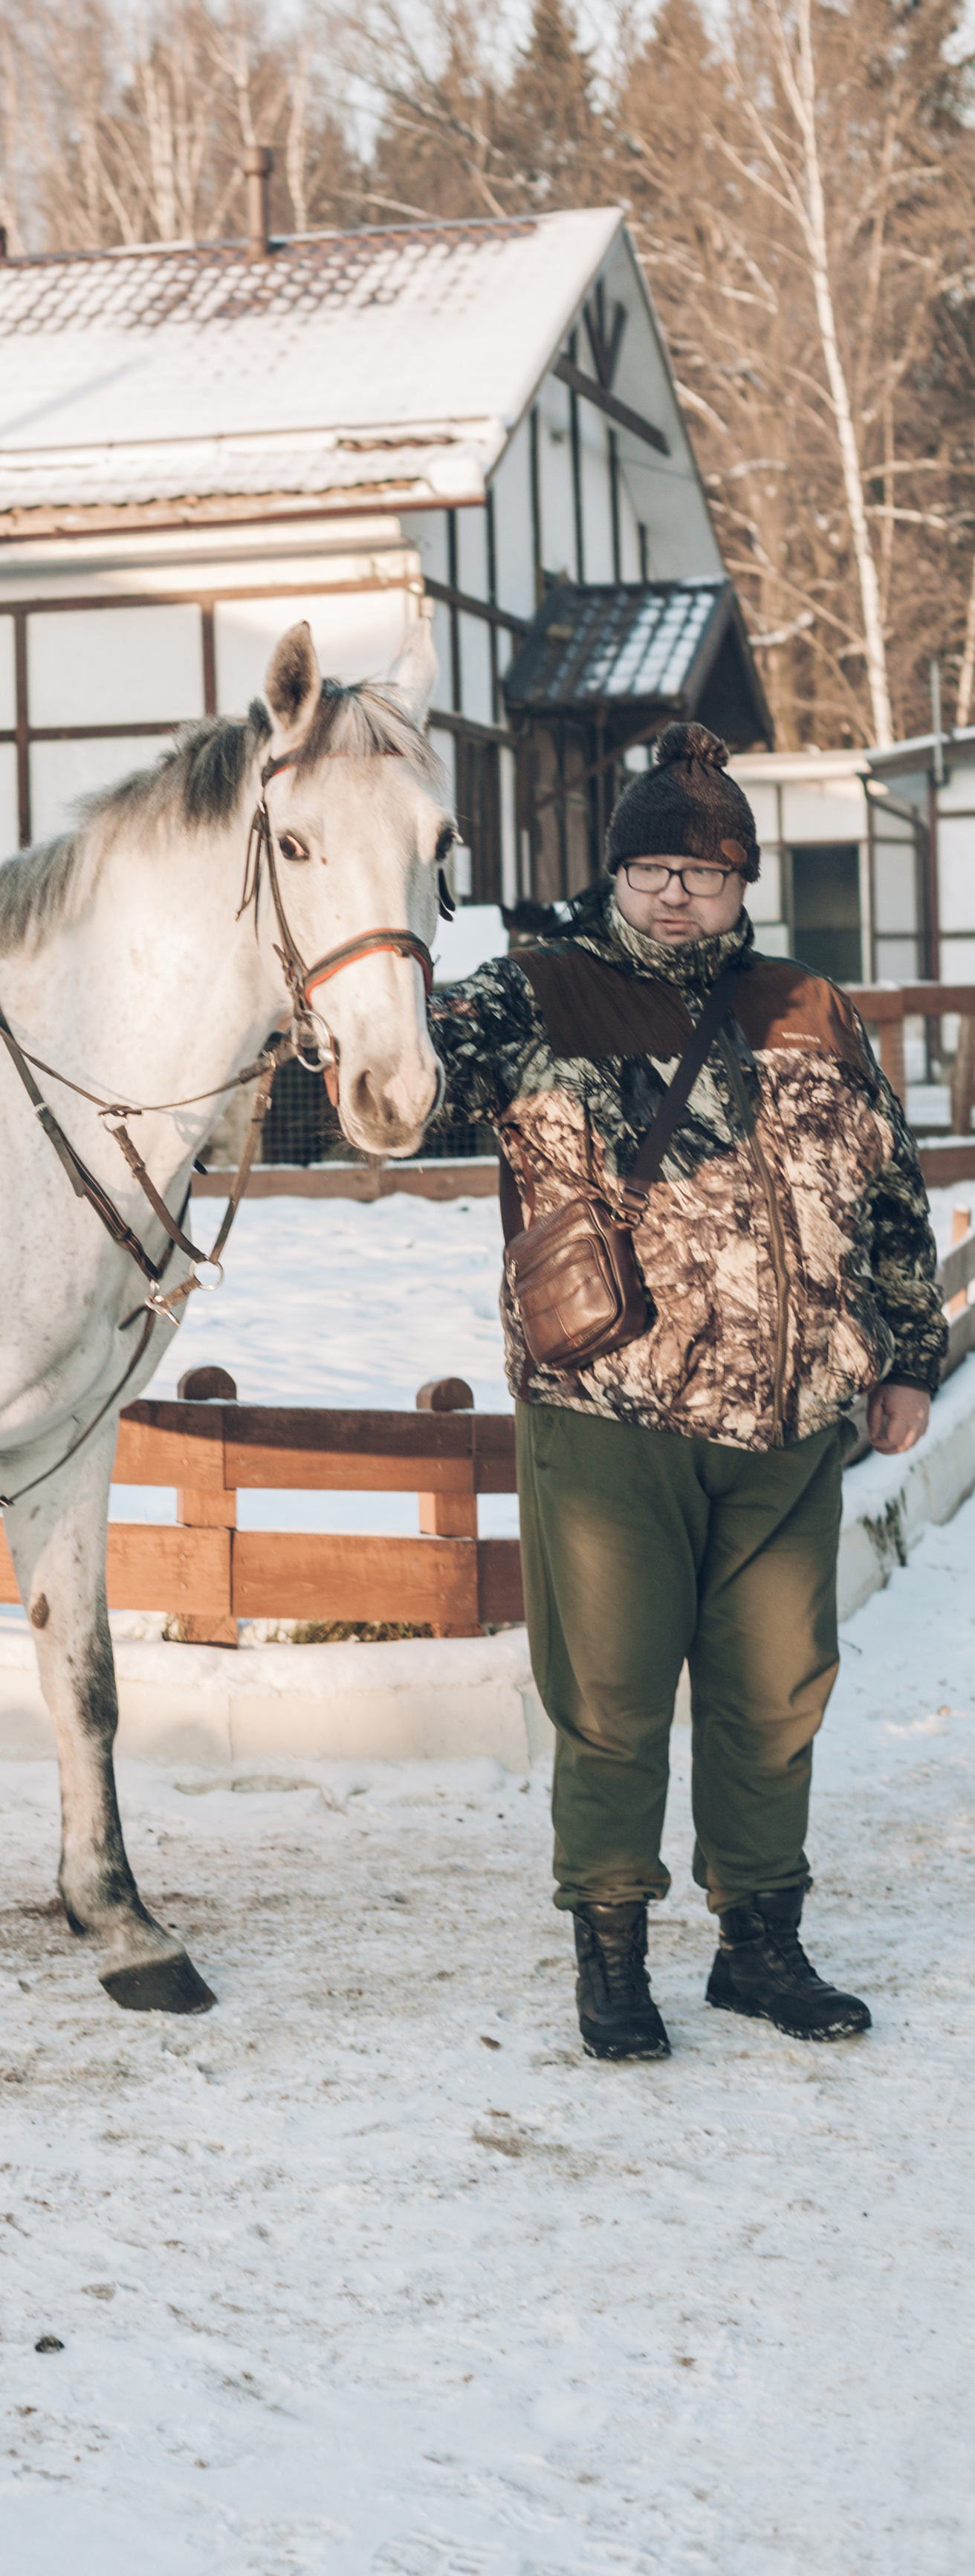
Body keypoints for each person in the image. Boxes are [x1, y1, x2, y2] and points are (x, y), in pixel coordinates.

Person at [430, 722, 943, 2061]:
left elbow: (888, 1195)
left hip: (791, 1424)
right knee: (608, 1697)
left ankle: (759, 1947)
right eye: (650, 866)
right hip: (612, 1413)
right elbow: (397, 1088)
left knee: (777, 1694)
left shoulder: (808, 1007)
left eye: (701, 873)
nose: (673, 892)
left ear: (742, 887)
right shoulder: (529, 993)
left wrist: (905, 1356)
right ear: (614, 875)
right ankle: (612, 1956)